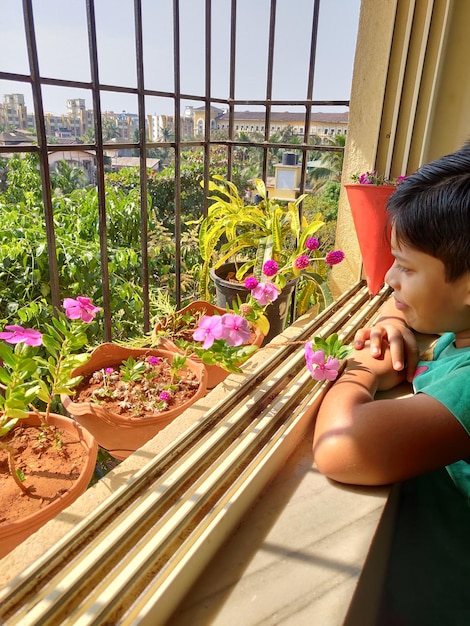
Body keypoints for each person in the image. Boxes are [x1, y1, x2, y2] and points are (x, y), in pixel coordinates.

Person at [312, 142, 470, 625]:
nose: (387, 278)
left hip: (440, 604)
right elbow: (408, 309)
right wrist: (393, 324)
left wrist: (361, 370)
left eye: (405, 265)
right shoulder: (457, 333)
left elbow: (342, 449)